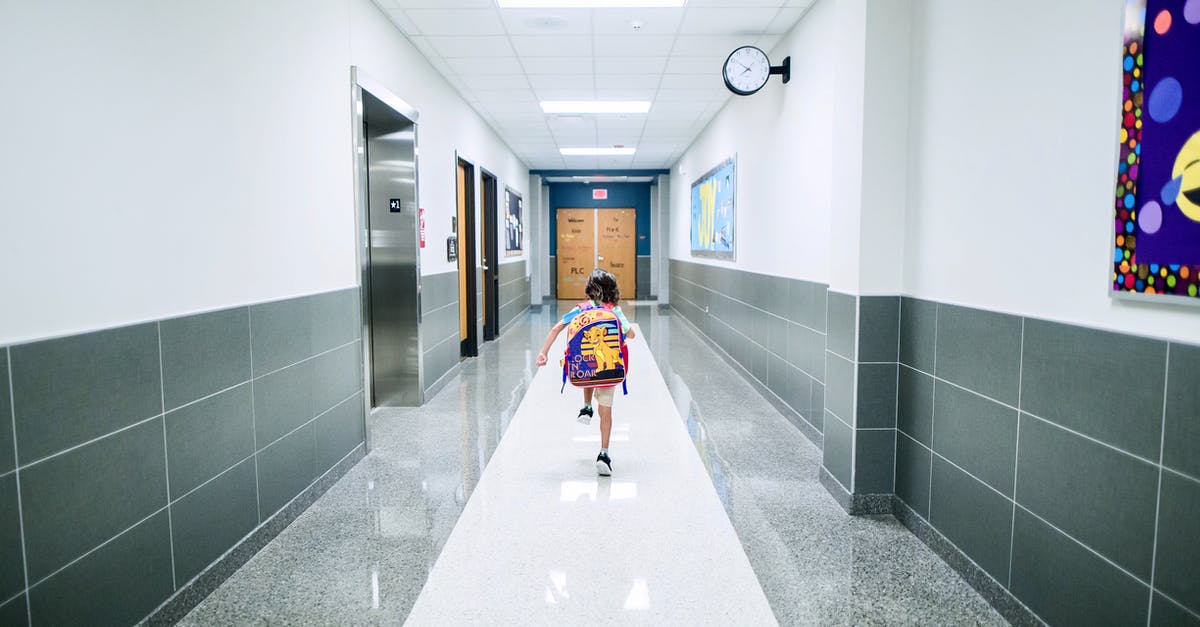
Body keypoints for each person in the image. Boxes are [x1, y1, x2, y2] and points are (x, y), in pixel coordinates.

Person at [535, 269, 634, 476]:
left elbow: (556, 328)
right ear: (612, 290)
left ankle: (587, 406)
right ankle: (604, 453)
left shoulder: (581, 309)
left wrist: (543, 353)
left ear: (590, 289)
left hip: (584, 367)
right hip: (609, 369)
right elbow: (630, 334)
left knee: (587, 368)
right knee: (606, 410)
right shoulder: (614, 310)